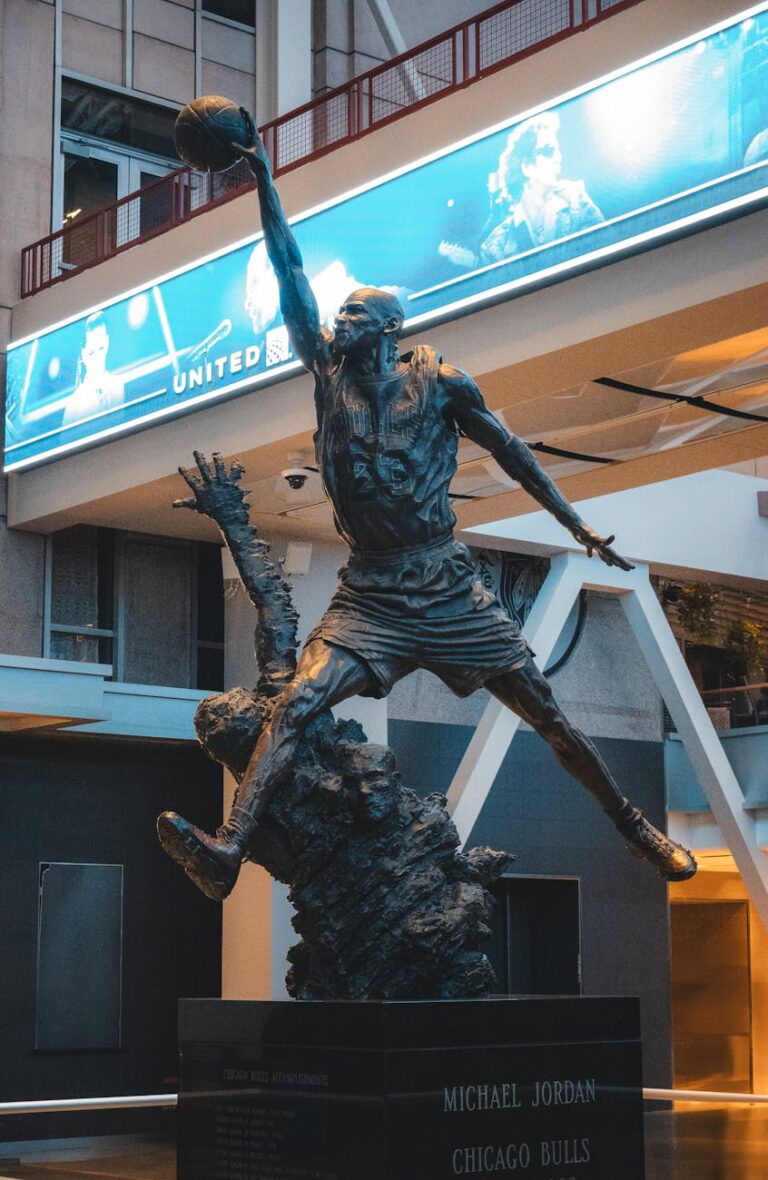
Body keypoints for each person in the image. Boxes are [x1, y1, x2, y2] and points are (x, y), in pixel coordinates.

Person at [158, 111, 696, 901]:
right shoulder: (327, 374)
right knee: (300, 700)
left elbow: (512, 453)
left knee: (546, 714)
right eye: (335, 318)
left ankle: (631, 823)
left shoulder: (440, 382)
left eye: (351, 318)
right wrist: (265, 180)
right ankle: (229, 850)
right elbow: (287, 268)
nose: (335, 324)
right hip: (371, 589)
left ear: (387, 330)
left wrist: (575, 525)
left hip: (443, 584)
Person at [439, 112, 604, 271]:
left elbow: (605, 250)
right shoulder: (497, 244)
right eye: (548, 150)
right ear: (526, 166)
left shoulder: (577, 203)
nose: (558, 158)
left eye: (557, 150)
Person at [62, 312, 125, 426]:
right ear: (83, 353)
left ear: (107, 343)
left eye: (101, 348)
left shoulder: (119, 384)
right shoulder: (73, 404)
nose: (97, 358)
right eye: (92, 352)